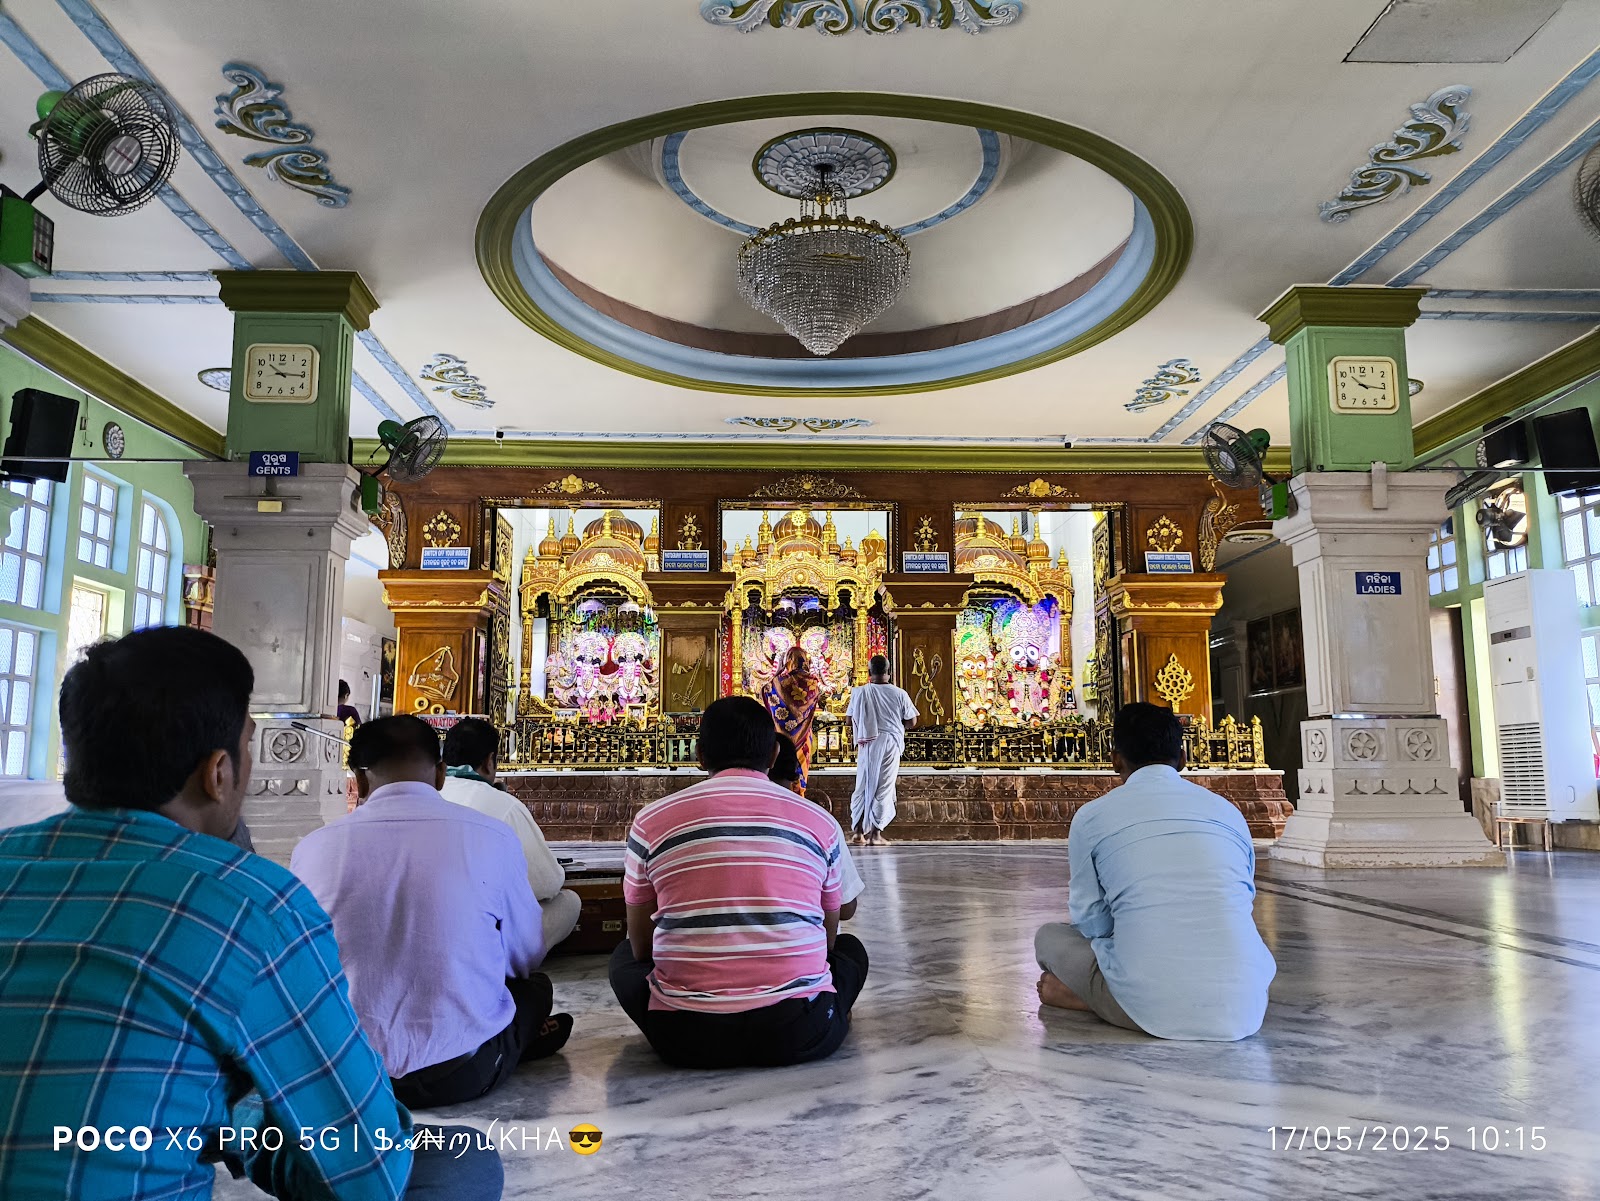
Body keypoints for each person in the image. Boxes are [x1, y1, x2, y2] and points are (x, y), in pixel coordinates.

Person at [0, 627, 501, 1201]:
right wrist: (241, 1121)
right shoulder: (251, 902)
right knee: (461, 1162)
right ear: (217, 772)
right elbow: (367, 1169)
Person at [291, 715, 571, 1110]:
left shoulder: (313, 847)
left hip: (346, 1078)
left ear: (360, 778)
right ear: (440, 774)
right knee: (536, 988)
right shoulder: (491, 836)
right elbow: (525, 954)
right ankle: (520, 1038)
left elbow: (302, 966)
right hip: (460, 1073)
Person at [610, 696, 869, 1069]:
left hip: (685, 1035)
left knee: (621, 959)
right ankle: (829, 1011)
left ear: (698, 754)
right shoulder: (819, 822)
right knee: (850, 951)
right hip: (799, 1030)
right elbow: (827, 942)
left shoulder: (651, 822)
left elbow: (640, 949)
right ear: (773, 753)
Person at [1035, 702, 1276, 1041]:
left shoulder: (1092, 817)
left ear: (1115, 759)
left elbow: (1091, 923)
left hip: (1151, 1002)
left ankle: (1091, 999)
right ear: (1182, 759)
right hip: (1246, 1005)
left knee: (1049, 937)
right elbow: (1241, 897)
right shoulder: (1228, 812)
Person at [441, 716, 581, 951]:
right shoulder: (504, 805)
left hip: (426, 931)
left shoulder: (422, 796)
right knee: (568, 902)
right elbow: (546, 884)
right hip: (482, 939)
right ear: (489, 762)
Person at [770, 732, 863, 921]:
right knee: (851, 946)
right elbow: (846, 908)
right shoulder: (820, 821)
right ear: (796, 769)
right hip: (806, 944)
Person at [845, 654, 918, 845]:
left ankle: (858, 833)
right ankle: (875, 835)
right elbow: (912, 721)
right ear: (889, 671)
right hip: (890, 743)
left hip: (867, 743)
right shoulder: (900, 693)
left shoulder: (859, 692)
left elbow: (848, 719)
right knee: (883, 787)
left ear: (869, 672)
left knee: (863, 785)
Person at [762, 645, 822, 795]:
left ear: (788, 660)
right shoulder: (813, 683)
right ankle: (799, 796)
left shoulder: (779, 682)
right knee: (800, 770)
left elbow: (765, 690)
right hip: (803, 737)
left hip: (782, 737)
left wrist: (778, 673)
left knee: (780, 769)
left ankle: (781, 797)